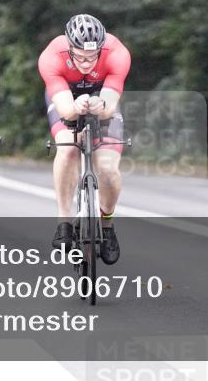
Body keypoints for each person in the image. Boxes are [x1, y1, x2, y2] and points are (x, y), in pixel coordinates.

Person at [37, 13, 131, 264]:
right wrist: (76, 107)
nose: (87, 63)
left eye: (92, 57)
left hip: (102, 97)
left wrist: (100, 105)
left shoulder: (116, 53)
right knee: (67, 148)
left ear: (101, 49)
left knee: (108, 169)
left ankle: (107, 225)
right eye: (79, 56)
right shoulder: (52, 56)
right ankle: (64, 222)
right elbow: (66, 110)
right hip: (66, 97)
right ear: (69, 48)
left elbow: (110, 105)